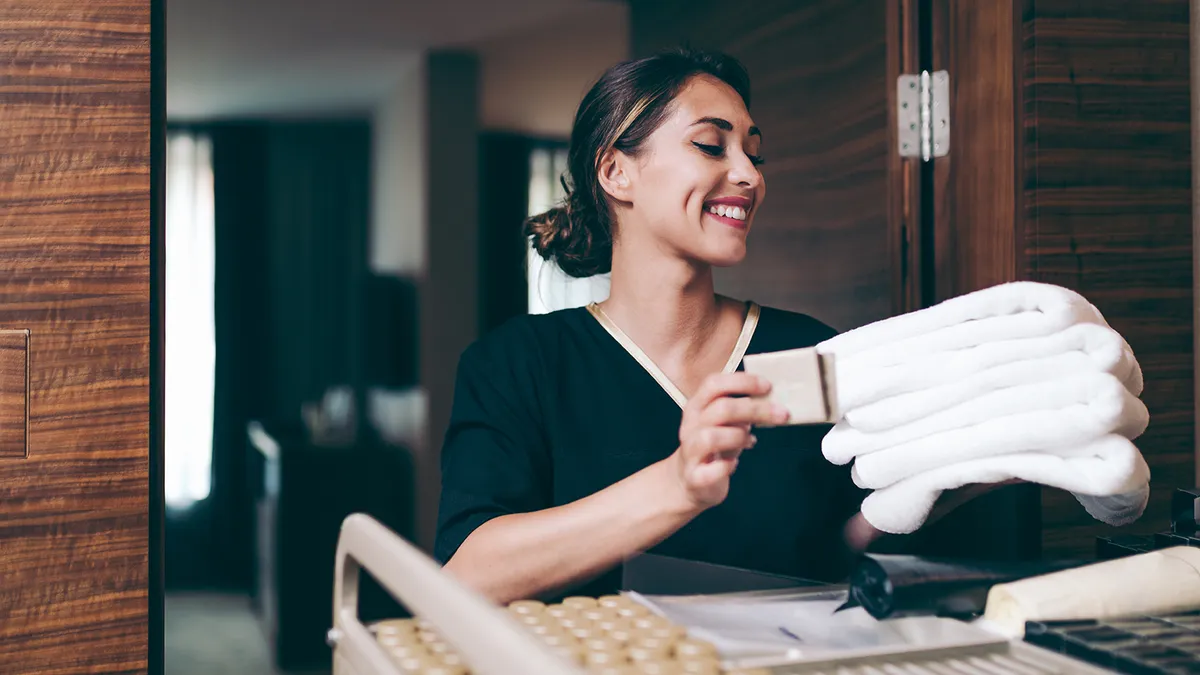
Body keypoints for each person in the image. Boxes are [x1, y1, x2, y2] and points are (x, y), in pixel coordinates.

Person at [434, 49, 964, 605]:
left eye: (755, 154)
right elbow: (468, 574)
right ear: (616, 172)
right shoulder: (518, 364)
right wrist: (677, 486)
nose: (748, 175)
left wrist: (952, 473)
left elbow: (831, 547)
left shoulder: (807, 349)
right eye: (711, 145)